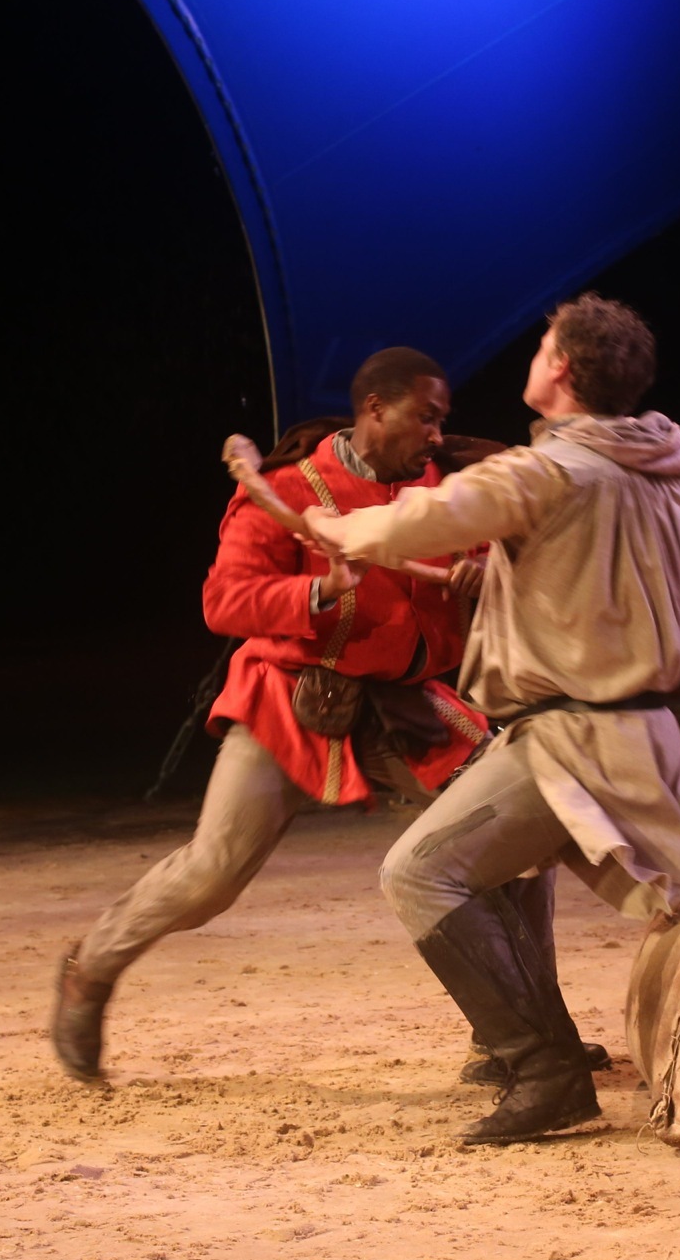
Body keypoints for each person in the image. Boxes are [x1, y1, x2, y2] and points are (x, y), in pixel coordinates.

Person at [304, 294, 680, 1144]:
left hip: (574, 736)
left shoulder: (550, 472)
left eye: (545, 343)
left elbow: (427, 518)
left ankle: (544, 1068)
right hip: (634, 729)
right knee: (494, 871)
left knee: (420, 873)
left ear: (562, 368)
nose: (536, 352)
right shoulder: (674, 466)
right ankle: (540, 1057)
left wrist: (336, 526)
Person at [52, 348, 492, 1079]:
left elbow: (489, 570)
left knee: (505, 838)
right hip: (289, 698)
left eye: (441, 419)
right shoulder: (289, 490)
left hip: (402, 703)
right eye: (426, 416)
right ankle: (89, 969)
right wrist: (321, 591)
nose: (437, 435)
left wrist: (483, 574)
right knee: (212, 875)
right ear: (375, 409)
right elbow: (224, 602)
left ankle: (516, 1032)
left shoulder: (446, 495)